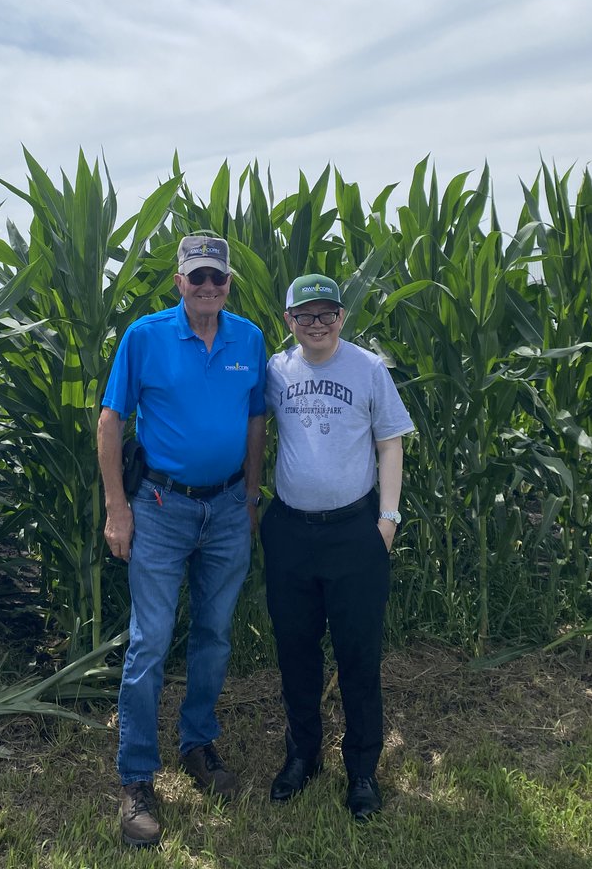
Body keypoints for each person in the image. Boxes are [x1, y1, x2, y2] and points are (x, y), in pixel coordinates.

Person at [97, 235, 267, 847]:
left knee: (214, 634)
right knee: (150, 641)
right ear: (179, 282)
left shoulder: (249, 339)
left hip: (227, 507)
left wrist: (251, 497)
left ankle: (198, 743)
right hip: (161, 507)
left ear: (228, 284)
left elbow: (256, 420)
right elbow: (110, 420)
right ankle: (137, 776)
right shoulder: (145, 337)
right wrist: (117, 507)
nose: (208, 288)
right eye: (198, 277)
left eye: (218, 278)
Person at [260, 273, 414, 821]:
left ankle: (362, 769)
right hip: (290, 531)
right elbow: (250, 426)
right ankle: (303, 756)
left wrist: (388, 519)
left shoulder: (368, 369)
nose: (317, 324)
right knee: (295, 651)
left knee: (358, 655)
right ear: (289, 321)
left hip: (355, 531)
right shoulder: (277, 370)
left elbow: (390, 443)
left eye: (327, 314)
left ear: (342, 318)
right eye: (305, 316)